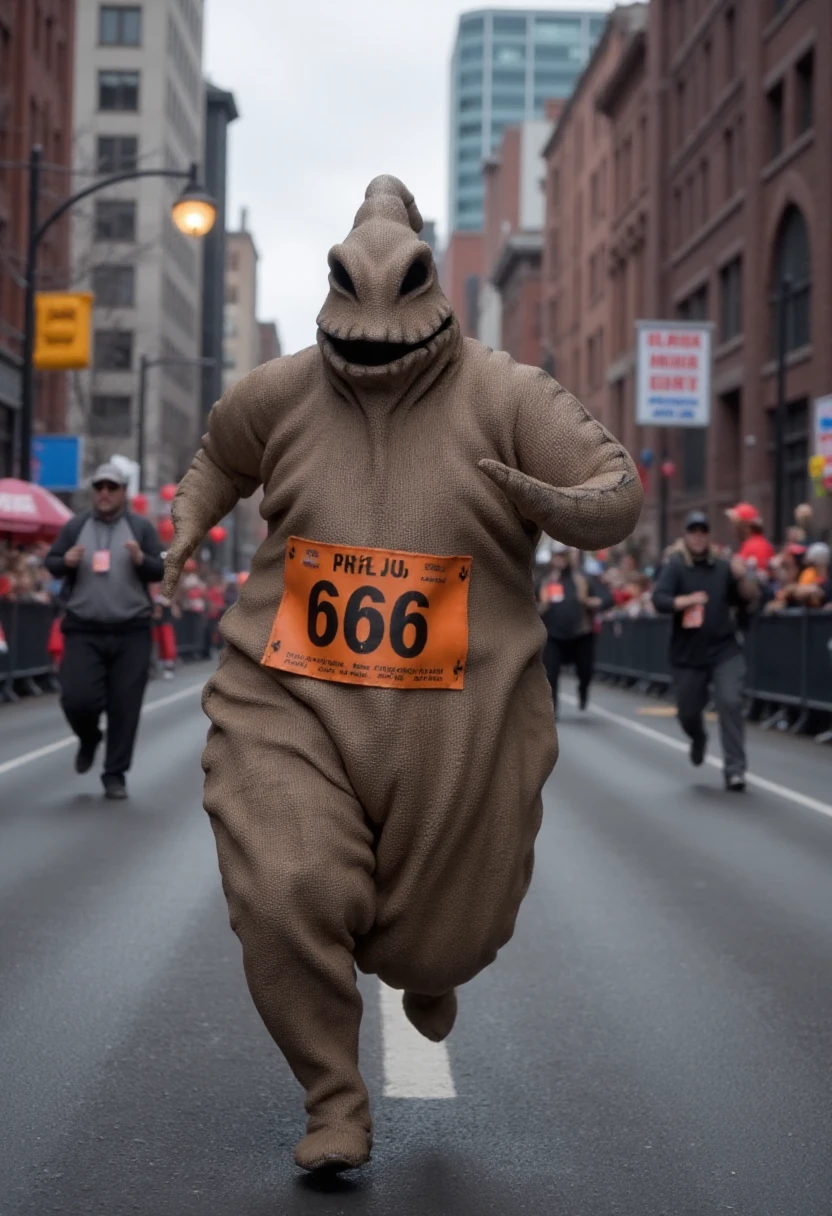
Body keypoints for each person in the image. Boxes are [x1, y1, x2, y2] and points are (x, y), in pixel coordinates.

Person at [160, 174, 644, 1173]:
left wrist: (540, 495)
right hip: (287, 696)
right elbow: (218, 454)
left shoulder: (506, 393)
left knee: (443, 941)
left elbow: (613, 492)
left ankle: (432, 970)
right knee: (283, 883)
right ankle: (333, 1097)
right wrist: (182, 528)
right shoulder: (279, 391)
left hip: (459, 713)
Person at [45, 463, 164, 799]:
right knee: (76, 698)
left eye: (112, 487)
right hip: (83, 628)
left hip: (132, 630)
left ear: (124, 491)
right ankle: (88, 737)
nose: (105, 493)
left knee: (125, 705)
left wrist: (142, 560)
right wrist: (64, 561)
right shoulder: (76, 525)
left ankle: (115, 774)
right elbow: (51, 562)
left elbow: (162, 570)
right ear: (93, 492)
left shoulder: (140, 527)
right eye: (100, 487)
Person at [652, 510, 758, 792]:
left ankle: (735, 770)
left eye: (703, 531)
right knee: (688, 713)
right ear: (685, 536)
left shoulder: (723, 566)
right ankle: (698, 738)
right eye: (693, 531)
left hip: (724, 649)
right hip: (688, 654)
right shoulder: (676, 566)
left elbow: (748, 600)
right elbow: (658, 599)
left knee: (731, 701)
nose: (698, 536)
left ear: (708, 535)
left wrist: (743, 578)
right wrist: (685, 601)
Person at [538, 543, 610, 715]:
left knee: (586, 671)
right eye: (557, 555)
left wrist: (589, 601)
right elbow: (528, 605)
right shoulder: (545, 580)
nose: (560, 559)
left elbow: (607, 598)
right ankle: (552, 711)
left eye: (563, 555)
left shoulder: (582, 578)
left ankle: (583, 690)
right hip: (553, 635)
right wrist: (543, 604)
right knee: (551, 674)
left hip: (581, 634)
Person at [726, 502, 776, 569]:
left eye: (736, 524)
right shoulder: (753, 543)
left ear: (746, 526)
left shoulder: (755, 545)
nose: (734, 529)